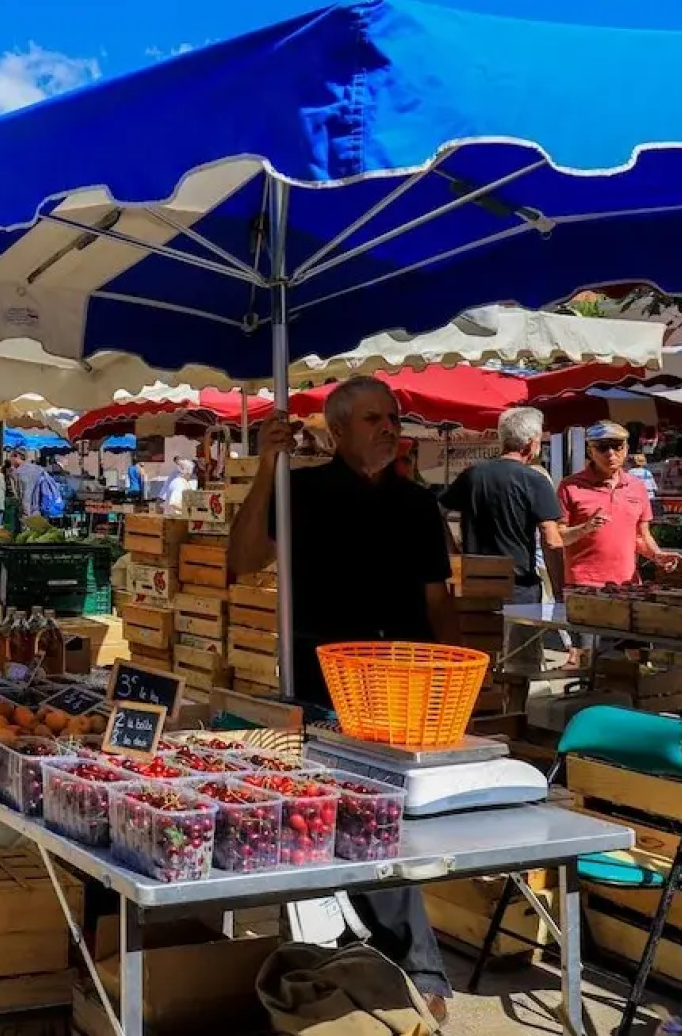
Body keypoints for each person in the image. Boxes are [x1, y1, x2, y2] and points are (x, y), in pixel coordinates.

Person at [229, 376, 457, 1019]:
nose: (387, 427)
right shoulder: (297, 491)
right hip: (323, 682)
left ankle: (395, 960)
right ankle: (417, 967)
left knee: (384, 825)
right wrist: (266, 467)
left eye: (392, 417)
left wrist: (464, 679)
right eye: (371, 419)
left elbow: (439, 600)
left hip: (405, 685)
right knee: (365, 819)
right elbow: (242, 561)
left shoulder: (418, 504)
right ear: (336, 432)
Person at [441, 407, 566, 606]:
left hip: (474, 581)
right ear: (531, 443)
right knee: (522, 638)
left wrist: (454, 552)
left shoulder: (473, 474)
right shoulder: (535, 480)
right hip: (518, 586)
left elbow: (438, 511)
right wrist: (559, 591)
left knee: (477, 636)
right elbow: (550, 539)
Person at [559, 421, 679, 589]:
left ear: (626, 450)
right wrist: (585, 528)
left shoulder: (637, 487)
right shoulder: (570, 486)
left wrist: (656, 554)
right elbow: (559, 537)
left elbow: (640, 536)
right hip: (584, 583)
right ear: (590, 452)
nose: (611, 453)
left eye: (617, 447)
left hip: (627, 583)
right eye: (602, 447)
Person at [628, 452, 663, 521]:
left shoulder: (630, 472)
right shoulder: (647, 472)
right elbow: (654, 487)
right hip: (649, 497)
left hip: (636, 499)